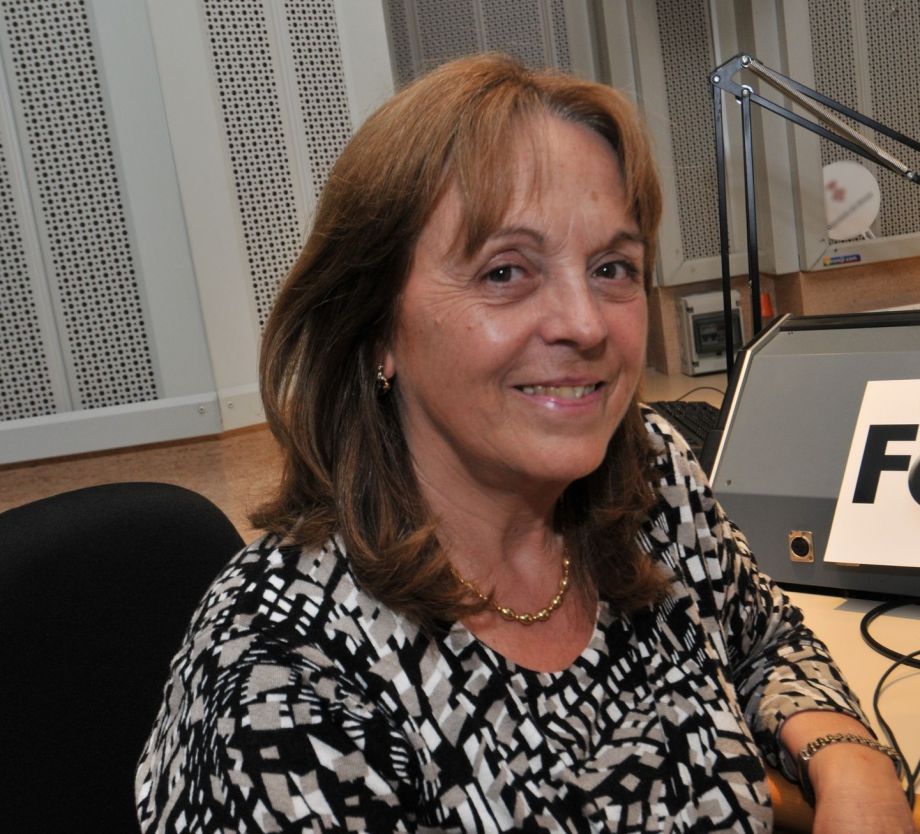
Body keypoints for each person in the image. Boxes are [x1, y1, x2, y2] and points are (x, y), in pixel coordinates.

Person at [135, 54, 913, 833]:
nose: (585, 322)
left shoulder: (647, 474)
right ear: (375, 330)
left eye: (611, 267)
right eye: (506, 272)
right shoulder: (282, 678)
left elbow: (762, 640)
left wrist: (849, 761)